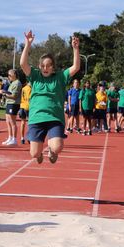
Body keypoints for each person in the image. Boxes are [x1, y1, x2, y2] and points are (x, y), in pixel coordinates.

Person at [20, 30, 80, 164]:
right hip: (37, 117)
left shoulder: (60, 77)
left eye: (48, 65)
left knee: (57, 147)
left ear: (53, 67)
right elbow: (23, 64)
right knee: (34, 153)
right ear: (39, 67)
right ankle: (39, 153)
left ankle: (52, 151)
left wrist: (75, 49)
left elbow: (76, 67)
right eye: (43, 66)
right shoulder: (35, 76)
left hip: (55, 118)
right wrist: (27, 44)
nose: (45, 68)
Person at [0, 69, 22, 146]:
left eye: (10, 75)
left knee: (13, 122)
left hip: (13, 104)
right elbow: (10, 93)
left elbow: (14, 96)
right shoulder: (12, 83)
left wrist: (4, 94)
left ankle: (14, 139)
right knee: (8, 122)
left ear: (14, 75)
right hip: (9, 103)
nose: (8, 77)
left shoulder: (17, 83)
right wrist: (4, 92)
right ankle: (10, 137)